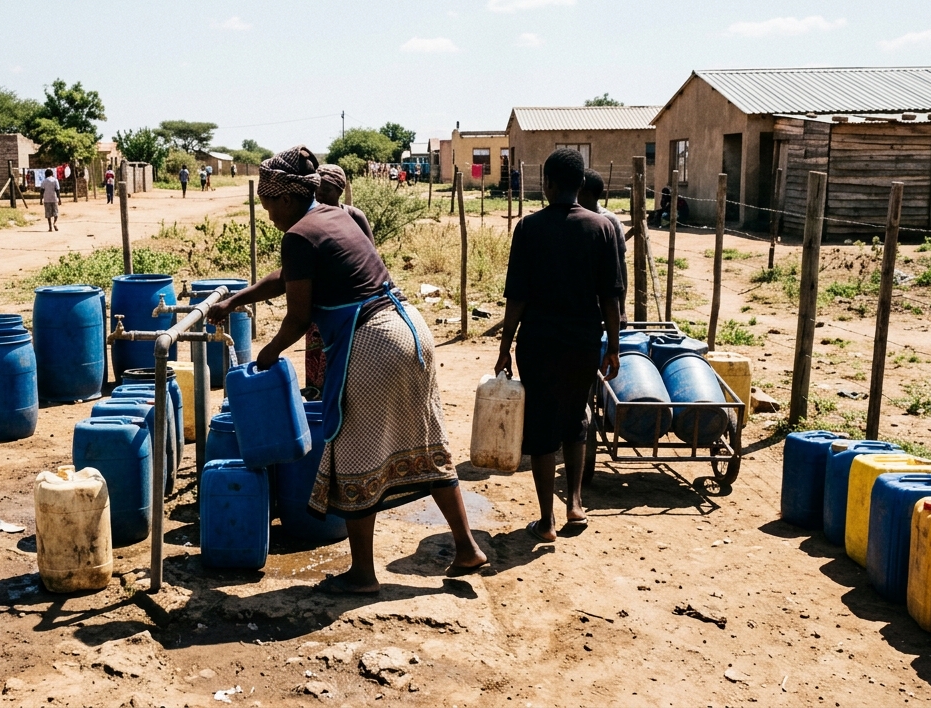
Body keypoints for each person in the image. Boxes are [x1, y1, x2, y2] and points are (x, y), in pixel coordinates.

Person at [209, 146, 486, 594]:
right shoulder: (336, 217)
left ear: (286, 197)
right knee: (427, 441)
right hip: (411, 331)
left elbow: (298, 317)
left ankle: (362, 575)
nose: (268, 214)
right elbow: (286, 278)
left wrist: (268, 354)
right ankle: (466, 547)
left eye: (268, 204)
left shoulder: (298, 235)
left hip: (372, 342)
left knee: (351, 452)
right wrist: (234, 301)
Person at [494, 148, 622, 543]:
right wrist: (614, 347)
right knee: (576, 415)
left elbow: (517, 297)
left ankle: (547, 520)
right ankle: (576, 504)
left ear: (546, 184)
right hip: (584, 342)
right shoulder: (602, 228)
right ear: (581, 184)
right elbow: (611, 297)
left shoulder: (529, 228)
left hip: (539, 343)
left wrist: (504, 346)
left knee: (541, 425)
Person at [304, 164, 375, 393]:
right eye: (316, 189)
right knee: (318, 368)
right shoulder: (309, 218)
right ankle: (318, 403)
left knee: (350, 366)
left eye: (327, 190)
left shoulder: (353, 216)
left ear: (340, 191)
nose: (320, 195)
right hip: (320, 305)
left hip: (351, 306)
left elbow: (371, 257)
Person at [578, 169, 627, 321]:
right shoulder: (572, 219)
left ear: (585, 193)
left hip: (604, 301)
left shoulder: (609, 222)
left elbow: (620, 265)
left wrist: (621, 309)